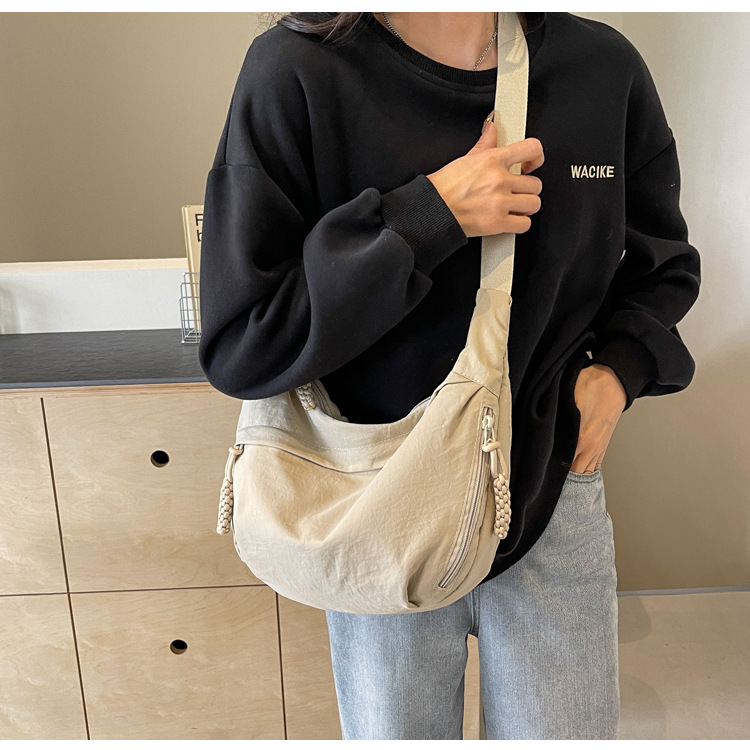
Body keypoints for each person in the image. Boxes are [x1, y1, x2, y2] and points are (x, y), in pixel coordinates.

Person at [198, 11, 701, 740]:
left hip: (552, 494)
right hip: (378, 500)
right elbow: (245, 341)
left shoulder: (601, 68)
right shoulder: (296, 71)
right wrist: (429, 216)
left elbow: (664, 264)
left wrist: (618, 374)